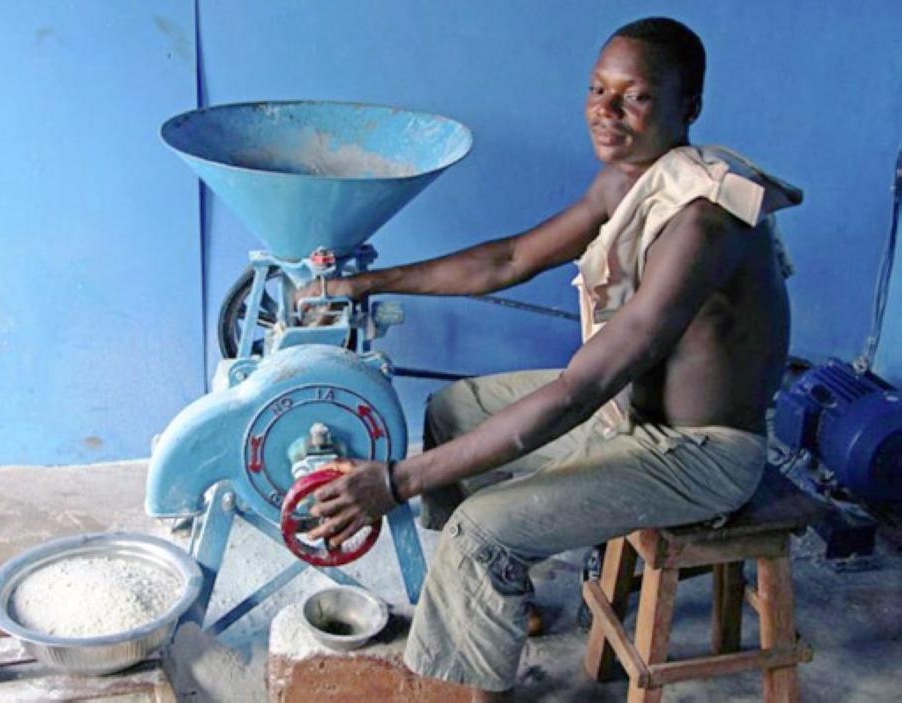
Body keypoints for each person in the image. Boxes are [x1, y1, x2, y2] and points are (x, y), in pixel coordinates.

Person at [299, 16, 802, 702]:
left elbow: (581, 387)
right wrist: (363, 282)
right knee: (452, 410)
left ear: (689, 107)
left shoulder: (704, 220)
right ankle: (494, 611)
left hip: (700, 453)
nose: (606, 111)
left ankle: (472, 665)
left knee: (481, 532)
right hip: (628, 412)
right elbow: (507, 260)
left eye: (635, 97)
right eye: (598, 90)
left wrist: (395, 478)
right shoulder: (630, 181)